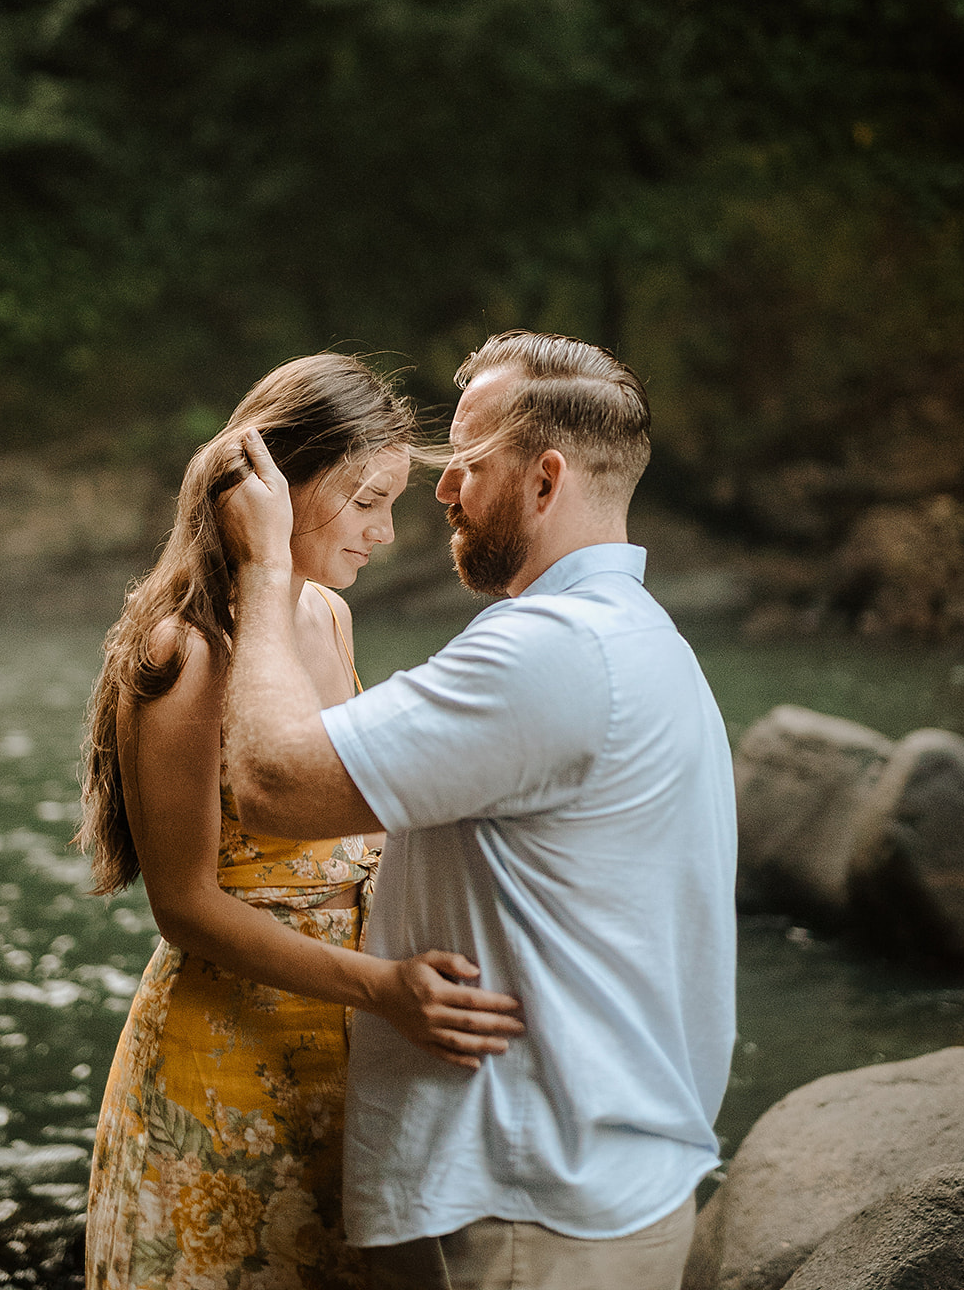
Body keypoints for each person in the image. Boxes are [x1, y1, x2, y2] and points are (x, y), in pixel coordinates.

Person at [218, 330, 739, 1290]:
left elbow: (275, 785)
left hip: (523, 1215)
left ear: (544, 480)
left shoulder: (549, 654)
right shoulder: (647, 641)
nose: (442, 491)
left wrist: (261, 573)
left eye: (464, 464)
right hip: (605, 1191)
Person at [76, 353, 524, 1290]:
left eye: (393, 501)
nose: (386, 533)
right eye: (365, 500)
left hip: (354, 1046)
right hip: (227, 1064)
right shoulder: (185, 651)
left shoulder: (324, 616)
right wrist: (384, 987)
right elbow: (186, 906)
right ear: (279, 486)